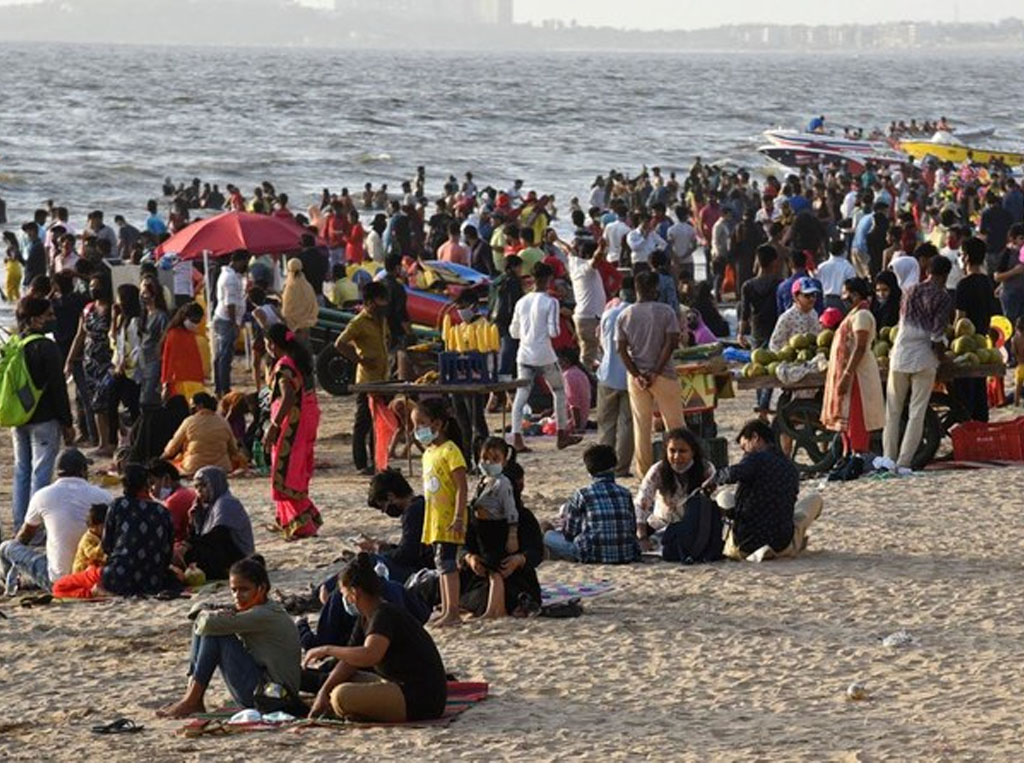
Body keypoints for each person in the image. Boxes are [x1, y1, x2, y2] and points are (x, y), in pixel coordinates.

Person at [306, 553, 447, 723]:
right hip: (396, 686)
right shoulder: (365, 617)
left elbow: (370, 654)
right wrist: (323, 691)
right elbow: (349, 662)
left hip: (418, 698)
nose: (344, 599)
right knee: (338, 680)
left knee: (340, 696)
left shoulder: (384, 614)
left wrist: (327, 649)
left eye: (344, 594)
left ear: (354, 592)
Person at [156, 556, 302, 718]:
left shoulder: (265, 614)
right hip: (263, 689)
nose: (237, 596)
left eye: (244, 590)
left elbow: (208, 622)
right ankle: (191, 697)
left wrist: (207, 613)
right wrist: (209, 612)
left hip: (273, 698)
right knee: (210, 627)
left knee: (216, 634)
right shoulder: (256, 608)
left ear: (261, 589)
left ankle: (192, 700)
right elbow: (203, 614)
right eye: (234, 590)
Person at [0, 448, 113, 595]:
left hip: (59, 580)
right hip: (91, 576)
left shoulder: (42, 495)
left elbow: (24, 537)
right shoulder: (103, 495)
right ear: (84, 470)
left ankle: (12, 583)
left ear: (57, 471)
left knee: (7, 547)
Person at [8, 297, 74, 535]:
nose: (52, 319)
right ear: (35, 318)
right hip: (44, 420)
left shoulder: (16, 343)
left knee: (22, 472)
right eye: (48, 315)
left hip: (19, 418)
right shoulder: (46, 347)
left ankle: (20, 524)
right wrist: (67, 422)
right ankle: (34, 531)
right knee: (41, 474)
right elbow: (58, 388)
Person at [882, 256, 954, 472]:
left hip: (901, 353)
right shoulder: (942, 297)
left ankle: (888, 459)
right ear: (945, 275)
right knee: (917, 412)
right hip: (924, 358)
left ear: (927, 271)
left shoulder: (910, 291)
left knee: (892, 411)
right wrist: (944, 358)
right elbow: (937, 335)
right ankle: (904, 462)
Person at [713, 420, 822, 560]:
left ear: (755, 437)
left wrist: (714, 476)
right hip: (781, 544)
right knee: (814, 500)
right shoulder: (790, 467)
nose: (744, 454)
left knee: (723, 496)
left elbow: (731, 475)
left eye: (744, 447)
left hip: (746, 545)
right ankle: (793, 543)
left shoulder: (754, 459)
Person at [616, 270, 685, 477]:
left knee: (641, 427)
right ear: (655, 288)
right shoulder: (665, 312)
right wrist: (655, 371)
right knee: (675, 424)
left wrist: (636, 374)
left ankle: (644, 473)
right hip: (664, 375)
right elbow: (671, 342)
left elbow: (621, 349)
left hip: (637, 378)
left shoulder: (625, 315)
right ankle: (681, 466)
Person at [508, 262, 582, 452]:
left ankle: (517, 438)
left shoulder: (522, 302)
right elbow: (554, 331)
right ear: (548, 279)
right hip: (545, 354)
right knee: (558, 392)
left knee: (521, 395)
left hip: (524, 353)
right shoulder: (551, 302)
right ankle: (562, 434)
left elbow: (514, 332)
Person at [460, 459, 543, 617]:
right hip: (479, 577)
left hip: (516, 577)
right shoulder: (473, 515)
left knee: (516, 595)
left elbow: (536, 552)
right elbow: (461, 546)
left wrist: (519, 559)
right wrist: (469, 558)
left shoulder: (523, 517)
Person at [263, 324, 323, 540]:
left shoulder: (284, 366)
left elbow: (288, 396)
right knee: (294, 470)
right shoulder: (296, 360)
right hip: (302, 422)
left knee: (285, 473)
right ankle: (288, 520)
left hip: (290, 426)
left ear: (272, 344)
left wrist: (274, 425)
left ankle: (300, 524)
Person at [411, 399, 467, 627]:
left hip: (449, 518)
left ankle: (453, 611)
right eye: (415, 425)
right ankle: (446, 607)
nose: (417, 430)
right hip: (434, 519)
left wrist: (459, 516)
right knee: (440, 563)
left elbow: (462, 487)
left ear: (438, 424)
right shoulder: (429, 453)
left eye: (421, 424)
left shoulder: (450, 451)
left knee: (447, 563)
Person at [544, 443, 640, 564]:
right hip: (626, 553)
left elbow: (570, 533)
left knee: (547, 535)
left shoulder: (582, 494)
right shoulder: (625, 493)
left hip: (591, 554)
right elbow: (632, 528)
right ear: (614, 465)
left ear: (589, 469)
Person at [634, 428, 720, 563]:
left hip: (693, 527)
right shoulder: (658, 470)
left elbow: (712, 504)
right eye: (672, 451)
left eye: (682, 451)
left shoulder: (706, 469)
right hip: (661, 525)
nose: (676, 456)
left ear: (693, 452)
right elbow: (641, 504)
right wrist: (642, 538)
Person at [821, 278, 884, 458]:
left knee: (857, 417)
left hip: (858, 374)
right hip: (852, 371)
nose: (843, 297)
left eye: (845, 293)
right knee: (847, 418)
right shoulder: (854, 314)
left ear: (855, 295)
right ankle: (849, 455)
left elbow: (860, 346)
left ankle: (858, 455)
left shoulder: (862, 316)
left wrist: (847, 374)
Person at [335, 281, 390, 474]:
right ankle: (361, 463)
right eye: (380, 299)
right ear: (369, 301)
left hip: (383, 379)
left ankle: (379, 462)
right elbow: (340, 344)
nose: (383, 303)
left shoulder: (381, 320)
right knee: (363, 423)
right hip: (367, 381)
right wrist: (360, 360)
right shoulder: (358, 322)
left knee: (381, 423)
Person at [99, 464, 174, 596]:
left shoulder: (117, 505)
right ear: (146, 484)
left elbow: (106, 545)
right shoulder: (162, 511)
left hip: (120, 577)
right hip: (154, 578)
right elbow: (168, 550)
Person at [466, 437, 519, 619]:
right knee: (490, 570)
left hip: (497, 528)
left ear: (504, 461)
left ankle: (494, 609)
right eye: (485, 459)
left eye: (495, 459)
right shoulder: (484, 480)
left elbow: (511, 510)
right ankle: (494, 607)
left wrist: (512, 534)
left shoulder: (503, 483)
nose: (488, 463)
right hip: (483, 528)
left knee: (495, 570)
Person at [174, 466, 255, 581]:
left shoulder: (226, 502)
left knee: (193, 554)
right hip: (219, 548)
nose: (199, 491)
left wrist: (188, 544)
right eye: (196, 487)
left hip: (236, 553)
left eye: (203, 485)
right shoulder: (206, 506)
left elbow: (218, 534)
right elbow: (198, 535)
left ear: (215, 484)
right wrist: (195, 517)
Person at [64, 276, 114, 456]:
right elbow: (80, 336)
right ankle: (105, 442)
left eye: (97, 286)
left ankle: (108, 442)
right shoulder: (88, 309)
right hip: (90, 362)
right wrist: (70, 360)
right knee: (95, 402)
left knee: (103, 401)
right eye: (92, 286)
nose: (93, 289)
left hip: (108, 362)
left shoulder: (112, 308)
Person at [953, 237, 1000, 422]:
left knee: (964, 393)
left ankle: (967, 427)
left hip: (966, 345)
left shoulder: (963, 285)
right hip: (982, 345)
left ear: (966, 257)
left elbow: (960, 320)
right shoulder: (987, 282)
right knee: (979, 389)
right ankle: (981, 425)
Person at [363, 469, 434, 584]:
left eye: (383, 506)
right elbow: (411, 546)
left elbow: (406, 555)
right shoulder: (421, 504)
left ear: (391, 496)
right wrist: (388, 547)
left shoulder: (412, 512)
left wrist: (379, 549)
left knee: (368, 562)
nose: (384, 511)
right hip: (423, 564)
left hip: (420, 570)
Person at [595, 276, 634, 477]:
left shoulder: (609, 313)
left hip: (607, 373)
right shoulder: (634, 313)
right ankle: (621, 468)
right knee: (627, 423)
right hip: (629, 375)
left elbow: (601, 341)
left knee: (606, 424)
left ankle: (603, 466)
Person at [738, 245, 782, 419]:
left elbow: (744, 313)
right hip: (774, 328)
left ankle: (761, 406)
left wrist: (741, 333)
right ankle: (764, 405)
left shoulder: (748, 285)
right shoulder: (778, 283)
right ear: (774, 262)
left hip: (756, 329)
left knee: (757, 368)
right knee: (771, 368)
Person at [161, 392, 243, 475]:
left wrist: (162, 458)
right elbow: (234, 449)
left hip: (193, 467)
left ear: (200, 405)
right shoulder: (223, 421)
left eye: (192, 407)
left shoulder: (189, 421)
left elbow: (172, 447)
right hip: (222, 467)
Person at [213, 251, 248, 397]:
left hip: (226, 319)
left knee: (222, 355)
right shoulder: (230, 278)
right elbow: (230, 304)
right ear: (239, 261)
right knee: (224, 356)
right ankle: (223, 388)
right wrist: (234, 323)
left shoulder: (231, 276)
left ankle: (220, 386)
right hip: (227, 320)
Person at [568, 238, 606, 370]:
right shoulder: (586, 269)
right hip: (589, 317)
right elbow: (596, 260)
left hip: (586, 316)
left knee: (592, 352)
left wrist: (557, 240)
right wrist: (601, 249)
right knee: (588, 356)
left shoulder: (574, 263)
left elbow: (569, 250)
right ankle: (585, 382)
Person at [161, 302, 207, 402]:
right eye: (194, 321)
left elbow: (196, 358)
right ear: (185, 317)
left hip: (195, 380)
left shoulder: (191, 334)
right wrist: (166, 383)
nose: (196, 324)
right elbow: (168, 360)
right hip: (179, 383)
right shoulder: (174, 334)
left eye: (198, 321)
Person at [138, 276, 170, 409]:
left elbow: (165, 340)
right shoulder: (144, 315)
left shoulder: (161, 316)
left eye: (145, 292)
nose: (142, 296)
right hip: (142, 361)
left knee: (149, 400)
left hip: (155, 361)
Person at [148, 459, 197, 543]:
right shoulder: (187, 492)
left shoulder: (174, 501)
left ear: (166, 479)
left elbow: (164, 534)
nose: (150, 490)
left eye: (153, 483)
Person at [281, 258, 320, 340]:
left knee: (290, 345)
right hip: (306, 325)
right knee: (305, 345)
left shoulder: (290, 287)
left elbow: (286, 309)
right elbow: (313, 304)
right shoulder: (307, 286)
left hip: (293, 328)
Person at [817, 239, 857, 312]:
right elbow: (852, 286)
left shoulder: (821, 267)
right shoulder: (848, 267)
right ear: (843, 250)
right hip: (841, 302)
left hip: (824, 300)